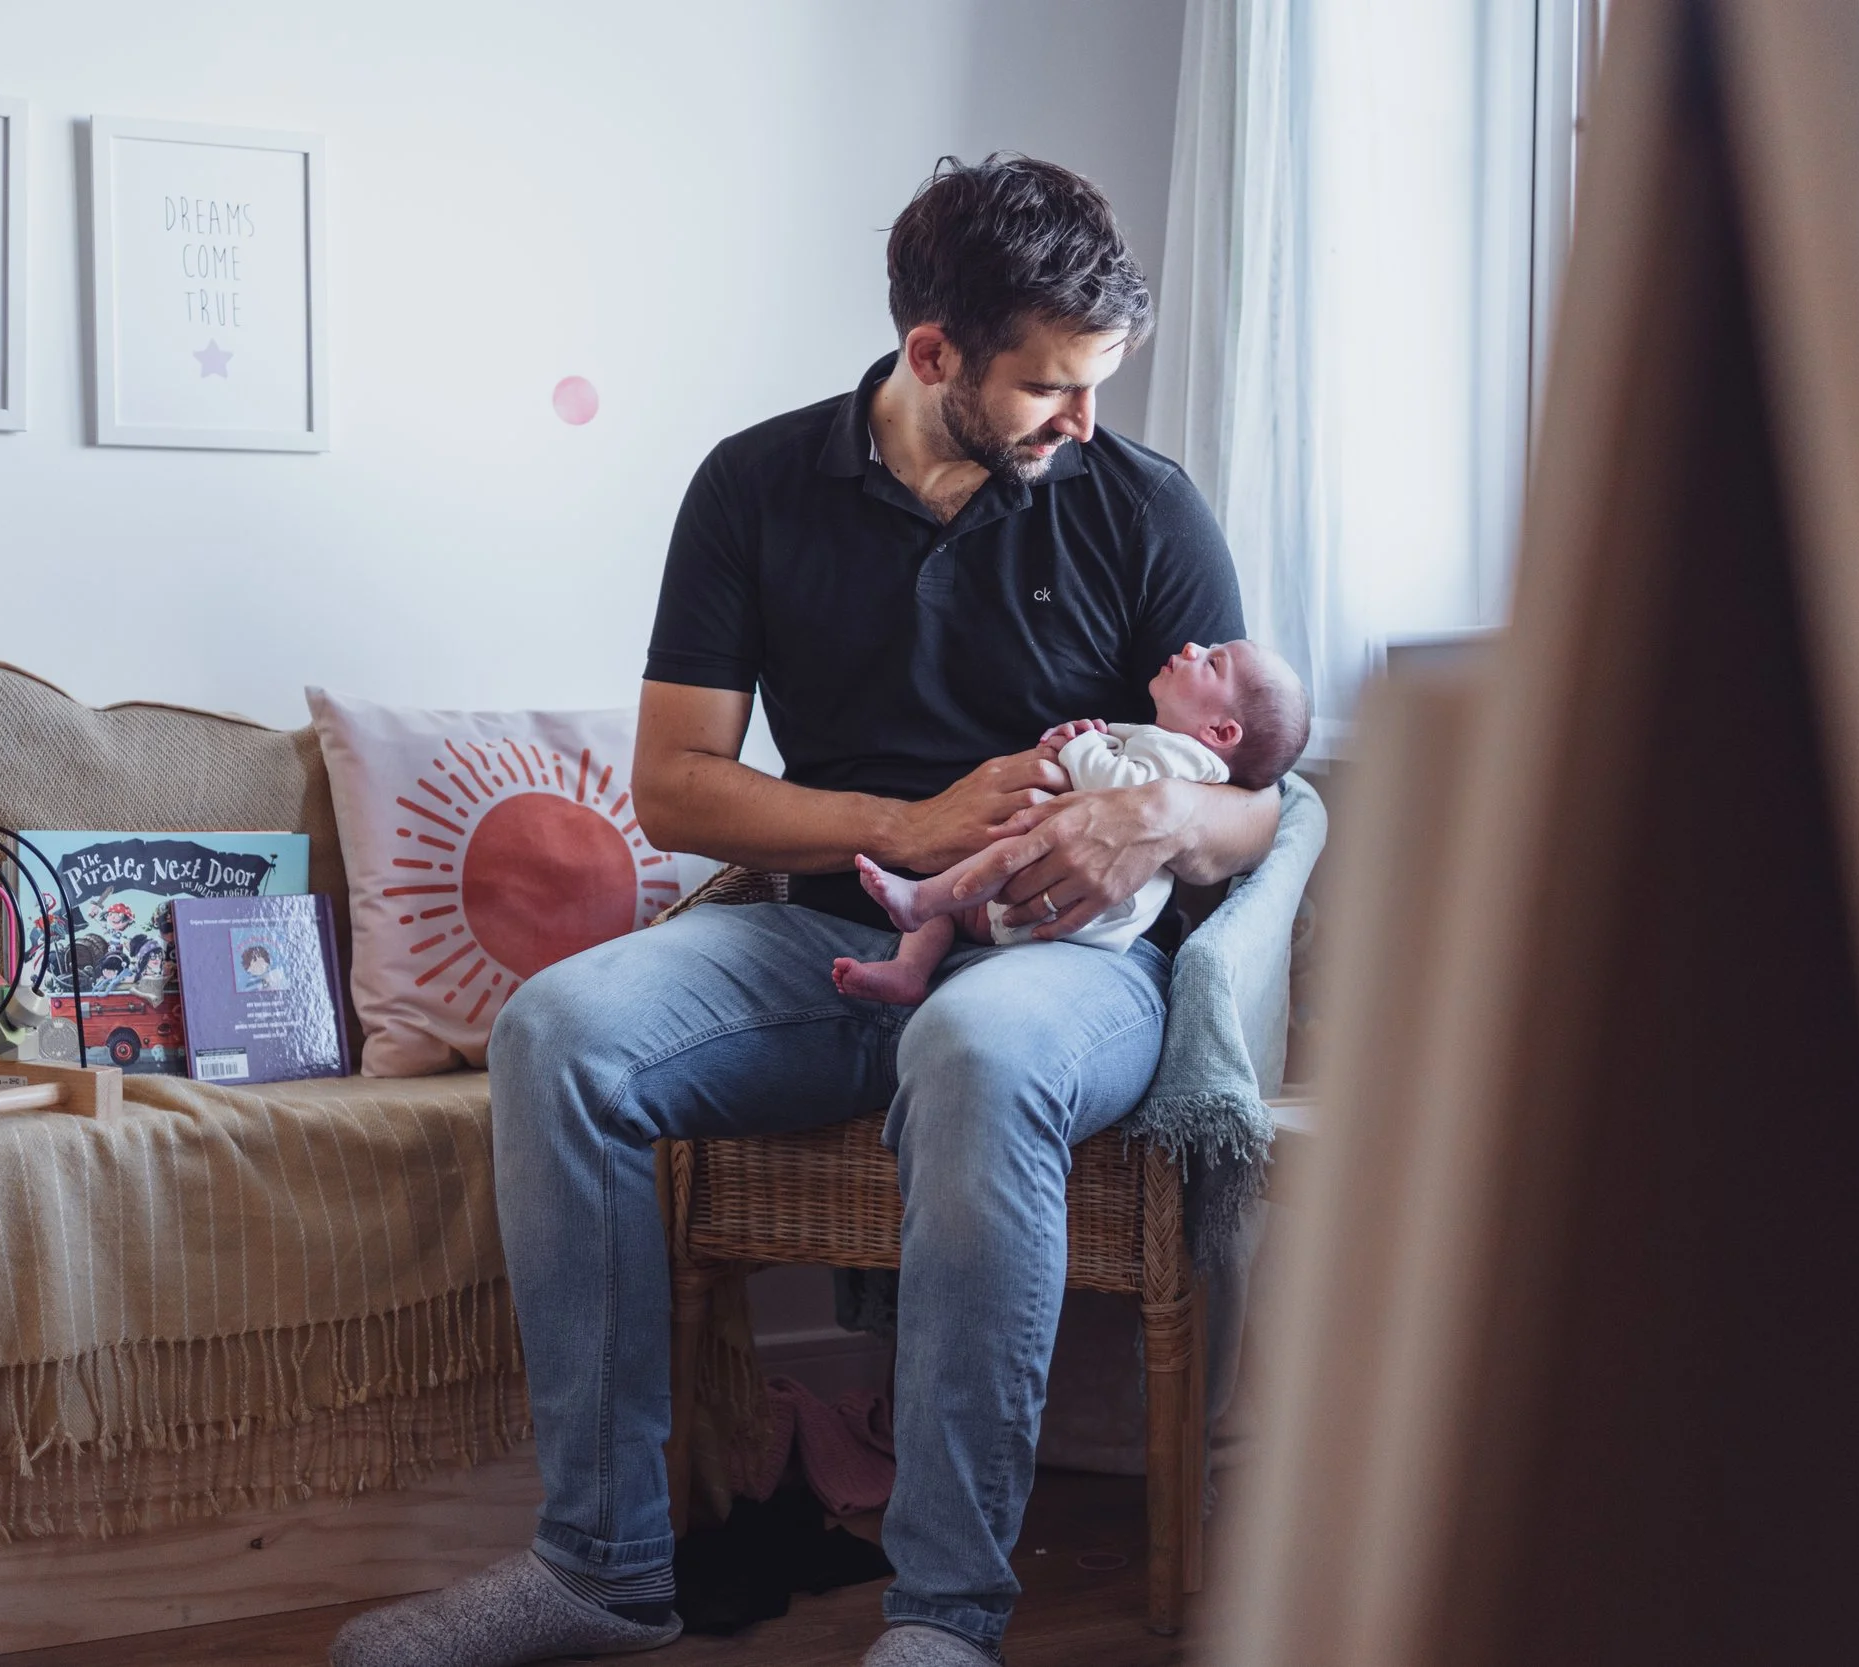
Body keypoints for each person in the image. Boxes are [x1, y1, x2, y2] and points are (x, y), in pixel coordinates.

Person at [332, 154, 1295, 1667]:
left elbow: (1263, 800)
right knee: (557, 1030)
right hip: (814, 931)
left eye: (1097, 385)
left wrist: (1157, 812)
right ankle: (600, 1568)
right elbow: (677, 787)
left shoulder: (1140, 507)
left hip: (1061, 965)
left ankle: (944, 1617)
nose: (1083, 422)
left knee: (975, 1053)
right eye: (1051, 387)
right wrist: (900, 823)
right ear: (933, 355)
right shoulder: (753, 486)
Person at [831, 638, 1308, 1005]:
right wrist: (1085, 736)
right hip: (1063, 908)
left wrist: (1079, 747)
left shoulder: (1186, 759)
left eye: (1212, 662)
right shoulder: (1163, 743)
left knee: (1000, 851)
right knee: (960, 899)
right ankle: (909, 971)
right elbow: (1111, 758)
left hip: (1082, 906)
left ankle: (920, 902)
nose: (1192, 647)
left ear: (1220, 732)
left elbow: (1116, 781)